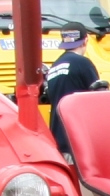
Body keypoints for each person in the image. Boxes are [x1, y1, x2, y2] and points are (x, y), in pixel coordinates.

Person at [41, 25, 100, 156]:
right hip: (79, 139)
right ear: (85, 41)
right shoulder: (83, 63)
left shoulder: (54, 67)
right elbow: (98, 98)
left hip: (59, 138)